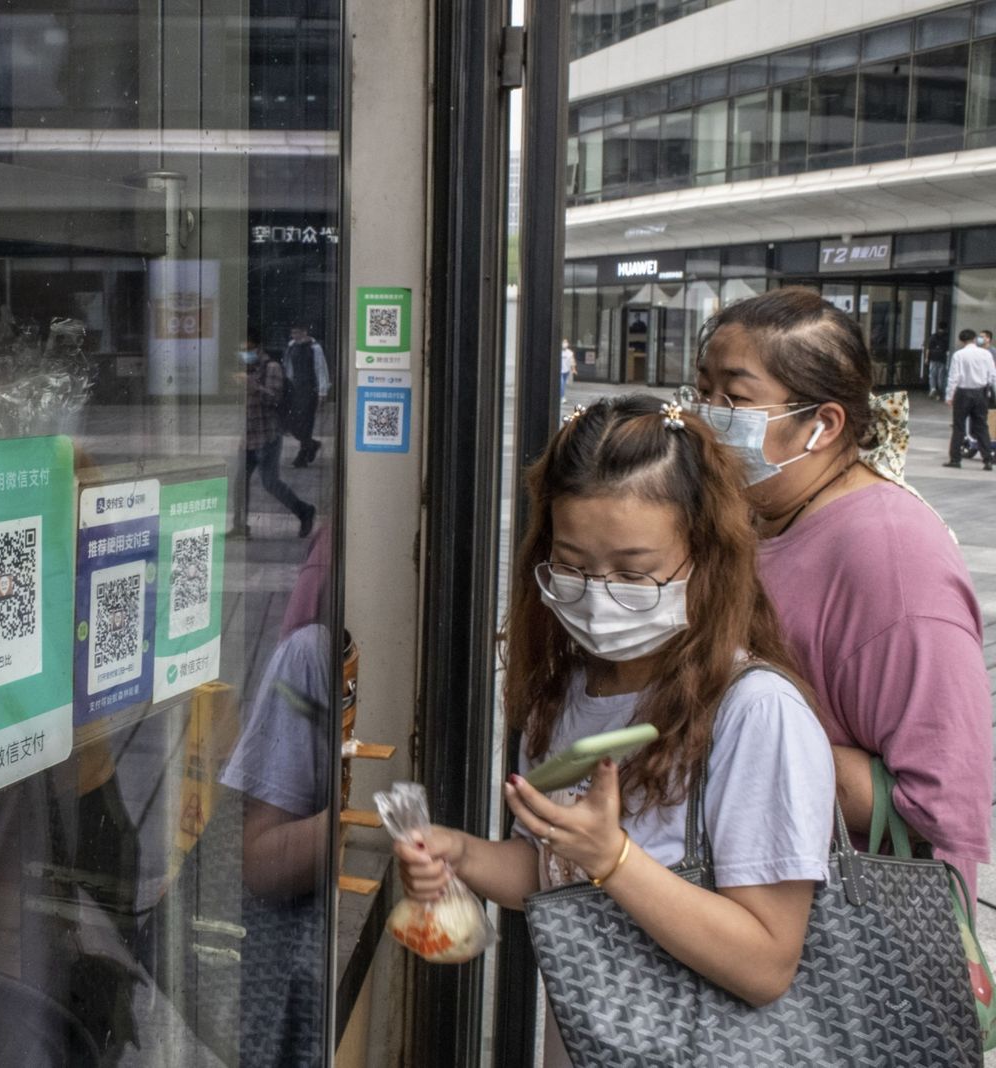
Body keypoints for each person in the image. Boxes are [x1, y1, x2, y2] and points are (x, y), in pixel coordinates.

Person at [394, 396, 834, 1067]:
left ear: (707, 559)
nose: (598, 594)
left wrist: (616, 861)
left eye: (633, 572)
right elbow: (552, 870)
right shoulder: (570, 689)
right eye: (572, 565)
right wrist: (461, 855)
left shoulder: (756, 713)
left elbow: (767, 962)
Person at [692, 289, 993, 894]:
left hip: (847, 951)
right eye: (703, 393)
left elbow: (942, 800)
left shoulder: (892, 555)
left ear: (823, 424)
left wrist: (729, 738)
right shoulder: (756, 515)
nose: (708, 416)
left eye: (736, 399)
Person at [234, 331, 315, 538]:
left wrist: (252, 386)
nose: (245, 353)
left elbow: (274, 399)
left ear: (258, 348)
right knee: (239, 483)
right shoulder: (247, 369)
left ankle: (304, 510)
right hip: (249, 438)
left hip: (268, 436)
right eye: (242, 350)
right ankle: (239, 526)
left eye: (248, 348)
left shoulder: (271, 368)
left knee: (270, 483)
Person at [942, 328, 995, 470]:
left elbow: (954, 377)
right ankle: (987, 460)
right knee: (982, 426)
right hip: (981, 393)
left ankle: (955, 459)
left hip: (963, 393)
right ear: (975, 339)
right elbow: (992, 375)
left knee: (958, 426)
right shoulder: (986, 354)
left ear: (961, 341)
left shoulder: (959, 355)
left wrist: (949, 396)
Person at [283, 322, 328, 467]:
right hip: (295, 389)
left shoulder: (315, 348)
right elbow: (288, 367)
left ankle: (302, 456)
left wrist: (322, 391)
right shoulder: (291, 346)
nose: (294, 336)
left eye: (297, 333)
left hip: (309, 389)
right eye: (292, 333)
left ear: (305, 332)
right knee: (291, 423)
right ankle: (312, 444)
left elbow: (321, 369)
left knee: (306, 423)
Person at [926, 327, 949, 400]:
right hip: (942, 359)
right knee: (940, 377)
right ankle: (940, 392)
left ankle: (933, 389)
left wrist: (926, 358)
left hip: (933, 358)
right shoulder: (947, 337)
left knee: (932, 375)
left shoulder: (933, 337)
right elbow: (948, 350)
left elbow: (928, 349)